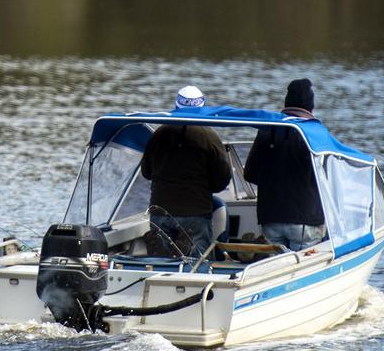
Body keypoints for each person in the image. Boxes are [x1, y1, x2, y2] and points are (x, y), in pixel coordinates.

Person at [140, 86, 232, 259]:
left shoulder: (159, 134)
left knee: (162, 262)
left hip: (161, 211)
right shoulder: (210, 137)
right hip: (196, 213)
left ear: (176, 106)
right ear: (203, 107)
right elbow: (222, 180)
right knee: (196, 264)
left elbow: (146, 172)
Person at [244, 78, 327, 251]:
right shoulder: (315, 133)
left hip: (271, 217)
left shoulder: (267, 130)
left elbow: (249, 174)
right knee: (304, 269)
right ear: (310, 105)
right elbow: (327, 179)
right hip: (305, 220)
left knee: (275, 271)